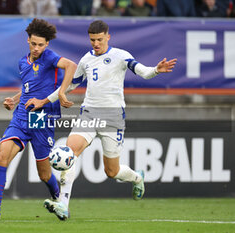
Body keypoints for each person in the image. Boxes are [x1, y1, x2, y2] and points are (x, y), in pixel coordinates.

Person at [26, 20, 177, 220]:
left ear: (108, 37)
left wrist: (156, 69)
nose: (95, 44)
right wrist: (47, 100)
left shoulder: (121, 56)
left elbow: (143, 72)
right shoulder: (86, 60)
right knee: (69, 154)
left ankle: (137, 177)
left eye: (99, 39)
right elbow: (70, 86)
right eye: (92, 40)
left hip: (113, 118)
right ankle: (63, 204)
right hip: (89, 114)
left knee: (111, 171)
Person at [0, 18, 77, 220]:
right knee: (1, 157)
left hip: (42, 117)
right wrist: (14, 100)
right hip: (22, 116)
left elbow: (72, 66)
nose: (37, 48)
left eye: (41, 44)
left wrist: (62, 93)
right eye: (33, 44)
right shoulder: (23, 62)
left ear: (47, 44)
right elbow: (27, 88)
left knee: (44, 174)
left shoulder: (49, 57)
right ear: (28, 40)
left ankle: (60, 201)